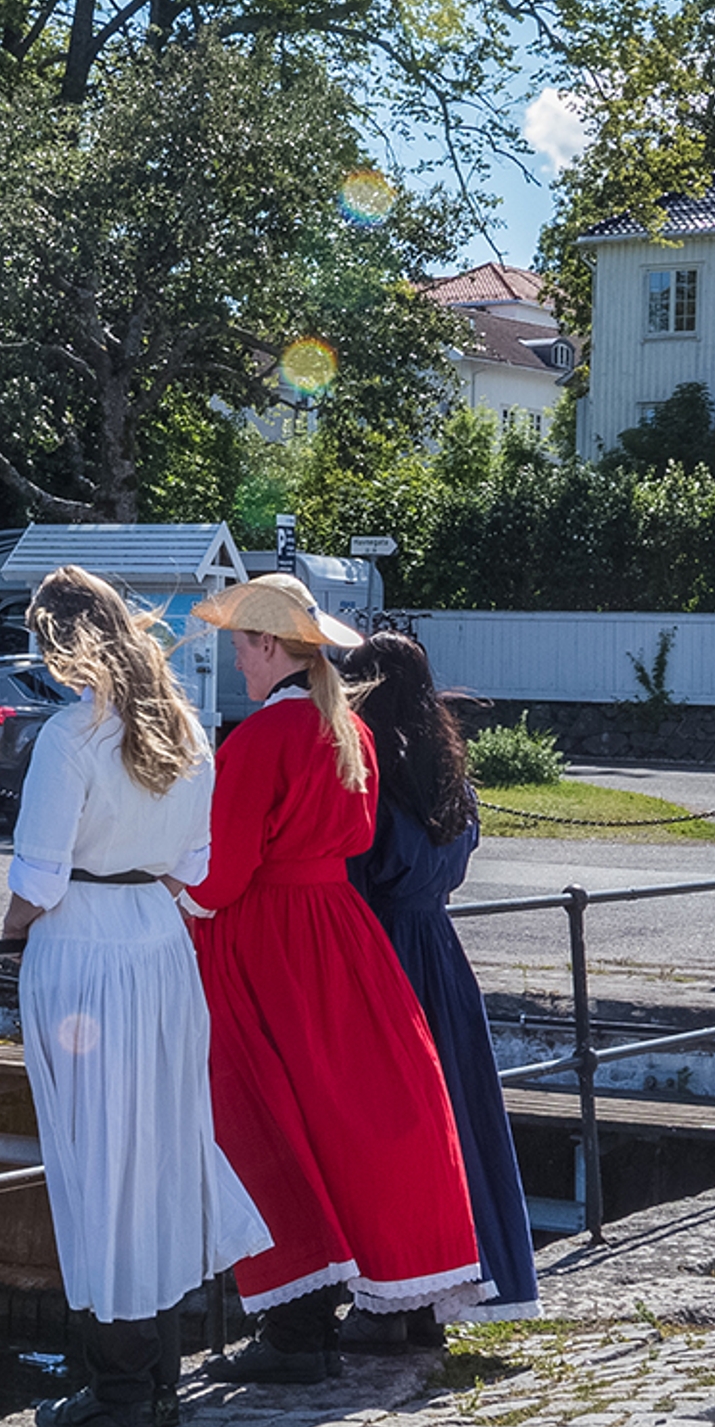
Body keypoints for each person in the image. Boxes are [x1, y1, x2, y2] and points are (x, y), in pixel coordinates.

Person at [0, 566, 273, 1427]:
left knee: (96, 1159)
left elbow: (38, 876)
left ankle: (117, 1391)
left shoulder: (70, 736)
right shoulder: (185, 727)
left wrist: (7, 935)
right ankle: (155, 1376)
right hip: (159, 943)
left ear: (58, 641)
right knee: (154, 1152)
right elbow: (195, 868)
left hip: (83, 944)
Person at [185, 572, 484, 1382]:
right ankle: (401, 1297)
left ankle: (295, 1326)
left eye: (244, 644)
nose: (237, 659)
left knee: (268, 1120)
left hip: (268, 945)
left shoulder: (258, 741)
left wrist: (166, 894)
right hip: (340, 939)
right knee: (367, 1115)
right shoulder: (344, 730)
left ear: (272, 647)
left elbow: (221, 876)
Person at [338, 631, 540, 1335]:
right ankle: (448, 1286)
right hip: (440, 954)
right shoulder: (449, 777)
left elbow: (355, 872)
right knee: (454, 1118)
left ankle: (390, 1296)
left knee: (385, 1126)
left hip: (381, 951)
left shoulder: (367, 777)